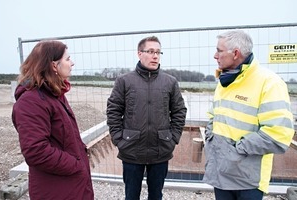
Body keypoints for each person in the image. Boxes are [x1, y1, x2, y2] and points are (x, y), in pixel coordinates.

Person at [203, 30, 295, 200]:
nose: (215, 55)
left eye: (219, 50)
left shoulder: (269, 82)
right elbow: (213, 117)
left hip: (248, 181)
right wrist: (211, 137)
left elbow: (279, 134)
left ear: (235, 53)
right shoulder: (224, 81)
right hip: (221, 173)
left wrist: (237, 149)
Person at [106, 36, 187, 200]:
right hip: (131, 149)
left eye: (158, 52)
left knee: (156, 195)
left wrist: (173, 139)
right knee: (131, 195)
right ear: (139, 53)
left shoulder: (170, 82)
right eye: (150, 52)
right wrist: (119, 139)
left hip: (161, 149)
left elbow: (179, 111)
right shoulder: (124, 81)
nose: (155, 56)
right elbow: (113, 110)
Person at [11, 40, 94, 200]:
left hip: (71, 184)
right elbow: (36, 151)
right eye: (68, 59)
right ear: (54, 66)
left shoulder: (54, 94)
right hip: (56, 189)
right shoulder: (31, 101)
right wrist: (76, 165)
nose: (72, 63)